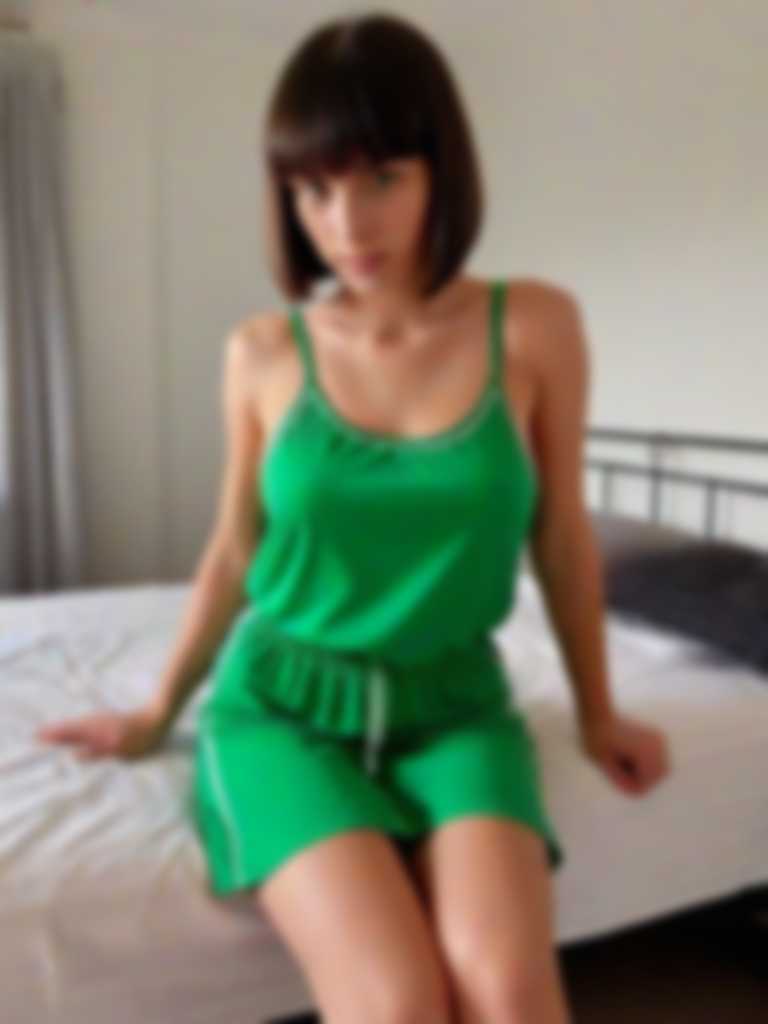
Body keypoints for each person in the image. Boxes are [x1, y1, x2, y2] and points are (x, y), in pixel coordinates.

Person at [37, 12, 671, 1023]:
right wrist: (158, 709)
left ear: (441, 171)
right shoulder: (262, 352)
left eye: (382, 178)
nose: (347, 224)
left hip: (456, 704)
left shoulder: (534, 325)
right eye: (314, 189)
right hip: (284, 711)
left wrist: (598, 714)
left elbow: (560, 539)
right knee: (397, 1001)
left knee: (509, 993)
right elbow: (237, 548)